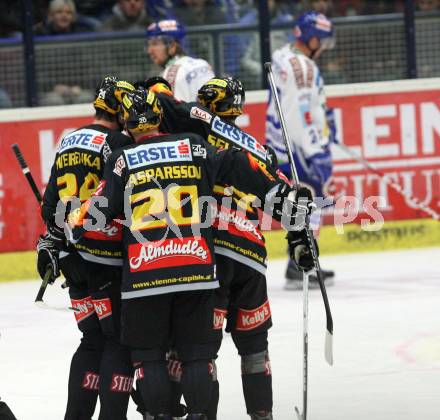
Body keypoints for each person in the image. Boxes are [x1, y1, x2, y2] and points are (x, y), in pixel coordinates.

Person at [69, 87, 315, 419]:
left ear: (127, 125)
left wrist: (70, 227)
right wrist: (285, 196)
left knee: (150, 357)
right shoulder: (194, 145)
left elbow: (87, 220)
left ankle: (161, 416)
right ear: (160, 118)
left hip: (144, 273)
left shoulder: (121, 159)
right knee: (198, 356)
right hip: (197, 267)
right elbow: (241, 166)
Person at [139, 75, 291, 419]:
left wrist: (157, 84)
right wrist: (302, 240)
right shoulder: (260, 151)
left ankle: (192, 414)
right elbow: (287, 201)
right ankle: (262, 415)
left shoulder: (196, 128)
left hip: (211, 252)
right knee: (254, 350)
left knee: (197, 351)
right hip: (251, 254)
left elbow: (162, 101)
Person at [37, 76, 136, 420]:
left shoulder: (68, 139)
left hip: (72, 259)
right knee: (118, 341)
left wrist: (56, 240)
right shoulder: (118, 141)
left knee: (91, 340)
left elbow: (49, 207)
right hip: (106, 257)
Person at [265, 11, 336, 290]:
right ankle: (301, 263)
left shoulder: (283, 54)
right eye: (323, 41)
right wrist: (313, 149)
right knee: (311, 197)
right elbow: (299, 112)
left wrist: (325, 119)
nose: (325, 48)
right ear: (313, 38)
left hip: (279, 143)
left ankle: (301, 260)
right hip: (297, 145)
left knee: (298, 202)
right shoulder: (304, 67)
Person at [145, 19, 214, 102]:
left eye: (155, 44)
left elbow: (177, 112)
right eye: (149, 45)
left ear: (172, 46)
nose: (149, 51)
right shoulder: (203, 63)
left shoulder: (170, 74)